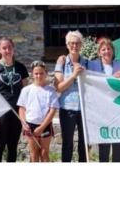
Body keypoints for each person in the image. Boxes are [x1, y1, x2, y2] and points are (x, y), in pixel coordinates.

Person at [0, 35, 29, 162]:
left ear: (13, 49)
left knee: (13, 146)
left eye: (10, 47)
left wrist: (25, 114)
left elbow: (25, 91)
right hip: (1, 112)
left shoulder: (20, 67)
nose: (7, 50)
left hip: (16, 111)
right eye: (4, 48)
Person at [87, 37, 120, 162]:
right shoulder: (92, 65)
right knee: (104, 137)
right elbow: (90, 81)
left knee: (117, 138)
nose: (106, 51)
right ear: (99, 53)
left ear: (112, 51)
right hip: (101, 107)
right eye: (103, 49)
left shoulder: (119, 65)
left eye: (109, 49)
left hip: (116, 106)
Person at [54, 30, 88, 162]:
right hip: (67, 107)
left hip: (84, 108)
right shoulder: (61, 63)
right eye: (72, 43)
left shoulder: (87, 63)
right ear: (67, 45)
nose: (74, 46)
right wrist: (73, 75)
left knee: (84, 143)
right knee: (67, 143)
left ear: (81, 45)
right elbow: (59, 87)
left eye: (77, 43)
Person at [17, 60, 59, 162]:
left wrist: (41, 127)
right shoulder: (26, 90)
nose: (39, 76)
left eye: (41, 73)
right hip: (30, 125)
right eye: (36, 73)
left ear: (46, 74)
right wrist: (24, 124)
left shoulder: (51, 91)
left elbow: (52, 111)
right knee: (34, 153)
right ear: (32, 74)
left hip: (45, 126)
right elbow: (22, 109)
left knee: (44, 153)